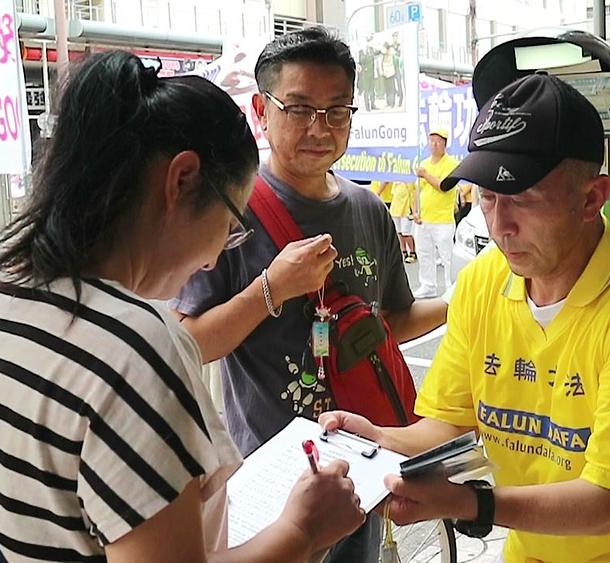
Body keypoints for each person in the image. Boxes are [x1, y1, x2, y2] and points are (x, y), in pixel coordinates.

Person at [0, 50, 364, 562]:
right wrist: (303, 529)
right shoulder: (137, 348)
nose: (209, 261)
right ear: (181, 181)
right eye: (229, 226)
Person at [322, 72, 610, 562]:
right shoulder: (482, 283)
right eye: (488, 198)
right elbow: (447, 423)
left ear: (591, 198)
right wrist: (381, 442)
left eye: (522, 198)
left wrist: (470, 503)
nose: (501, 225)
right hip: (536, 550)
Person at [172, 27, 448, 562]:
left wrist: (471, 298)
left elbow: (390, 318)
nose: (319, 128)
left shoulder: (368, 210)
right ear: (261, 109)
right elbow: (190, 344)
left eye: (336, 110)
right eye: (299, 109)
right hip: (269, 482)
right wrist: (273, 287)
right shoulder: (231, 208)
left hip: (360, 472)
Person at [412, 128, 460, 298]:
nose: (434, 144)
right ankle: (428, 285)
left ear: (445, 144)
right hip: (424, 220)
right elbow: (416, 190)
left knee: (447, 256)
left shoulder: (452, 164)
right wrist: (415, 211)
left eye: (438, 141)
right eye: (431, 140)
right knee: (425, 253)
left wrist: (425, 175)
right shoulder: (424, 164)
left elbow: (444, 186)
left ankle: (450, 287)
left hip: (443, 219)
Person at [389, 181, 417, 263]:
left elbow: (414, 194)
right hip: (395, 208)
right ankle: (403, 251)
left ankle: (412, 252)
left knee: (406, 233)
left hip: (406, 210)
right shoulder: (396, 180)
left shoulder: (410, 181)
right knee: (399, 232)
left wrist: (413, 209)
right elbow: (394, 193)